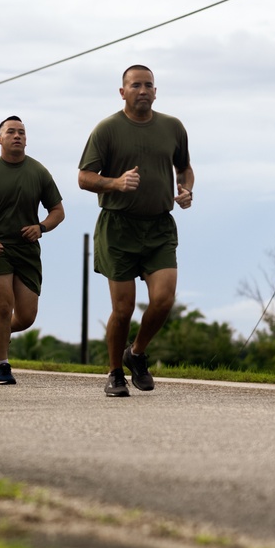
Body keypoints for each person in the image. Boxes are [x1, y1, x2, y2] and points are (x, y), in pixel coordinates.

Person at [78, 64, 193, 397]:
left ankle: (137, 353)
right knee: (124, 308)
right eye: (135, 85)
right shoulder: (108, 129)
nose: (142, 90)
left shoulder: (172, 127)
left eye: (148, 85)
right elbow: (84, 177)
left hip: (159, 226)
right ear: (122, 91)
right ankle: (115, 371)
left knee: (163, 299)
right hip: (118, 226)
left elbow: (184, 168)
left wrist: (185, 189)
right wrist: (115, 182)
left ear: (156, 91)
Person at [0, 116, 65, 385]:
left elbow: (58, 211)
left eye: (21, 132)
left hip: (27, 250)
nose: (17, 136)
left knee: (26, 316)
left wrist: (41, 227)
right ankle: (4, 364)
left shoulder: (39, 172)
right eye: (11, 132)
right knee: (2, 305)